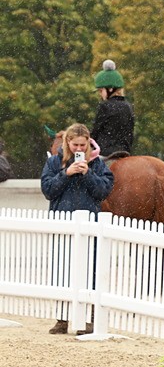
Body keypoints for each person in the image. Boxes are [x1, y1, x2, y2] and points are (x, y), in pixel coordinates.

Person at [41, 123, 114, 334]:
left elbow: (104, 191)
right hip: (63, 224)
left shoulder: (98, 164)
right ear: (67, 143)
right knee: (62, 271)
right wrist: (66, 173)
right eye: (75, 145)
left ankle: (88, 319)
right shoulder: (54, 162)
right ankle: (62, 319)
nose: (79, 149)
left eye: (83, 145)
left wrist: (88, 174)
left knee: (90, 271)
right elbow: (48, 190)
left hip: (90, 224)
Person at [90, 60, 135, 159]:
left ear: (110, 89)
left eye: (101, 90)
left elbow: (96, 130)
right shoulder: (128, 106)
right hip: (125, 151)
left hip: (105, 152)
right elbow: (130, 132)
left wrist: (88, 143)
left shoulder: (105, 106)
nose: (100, 94)